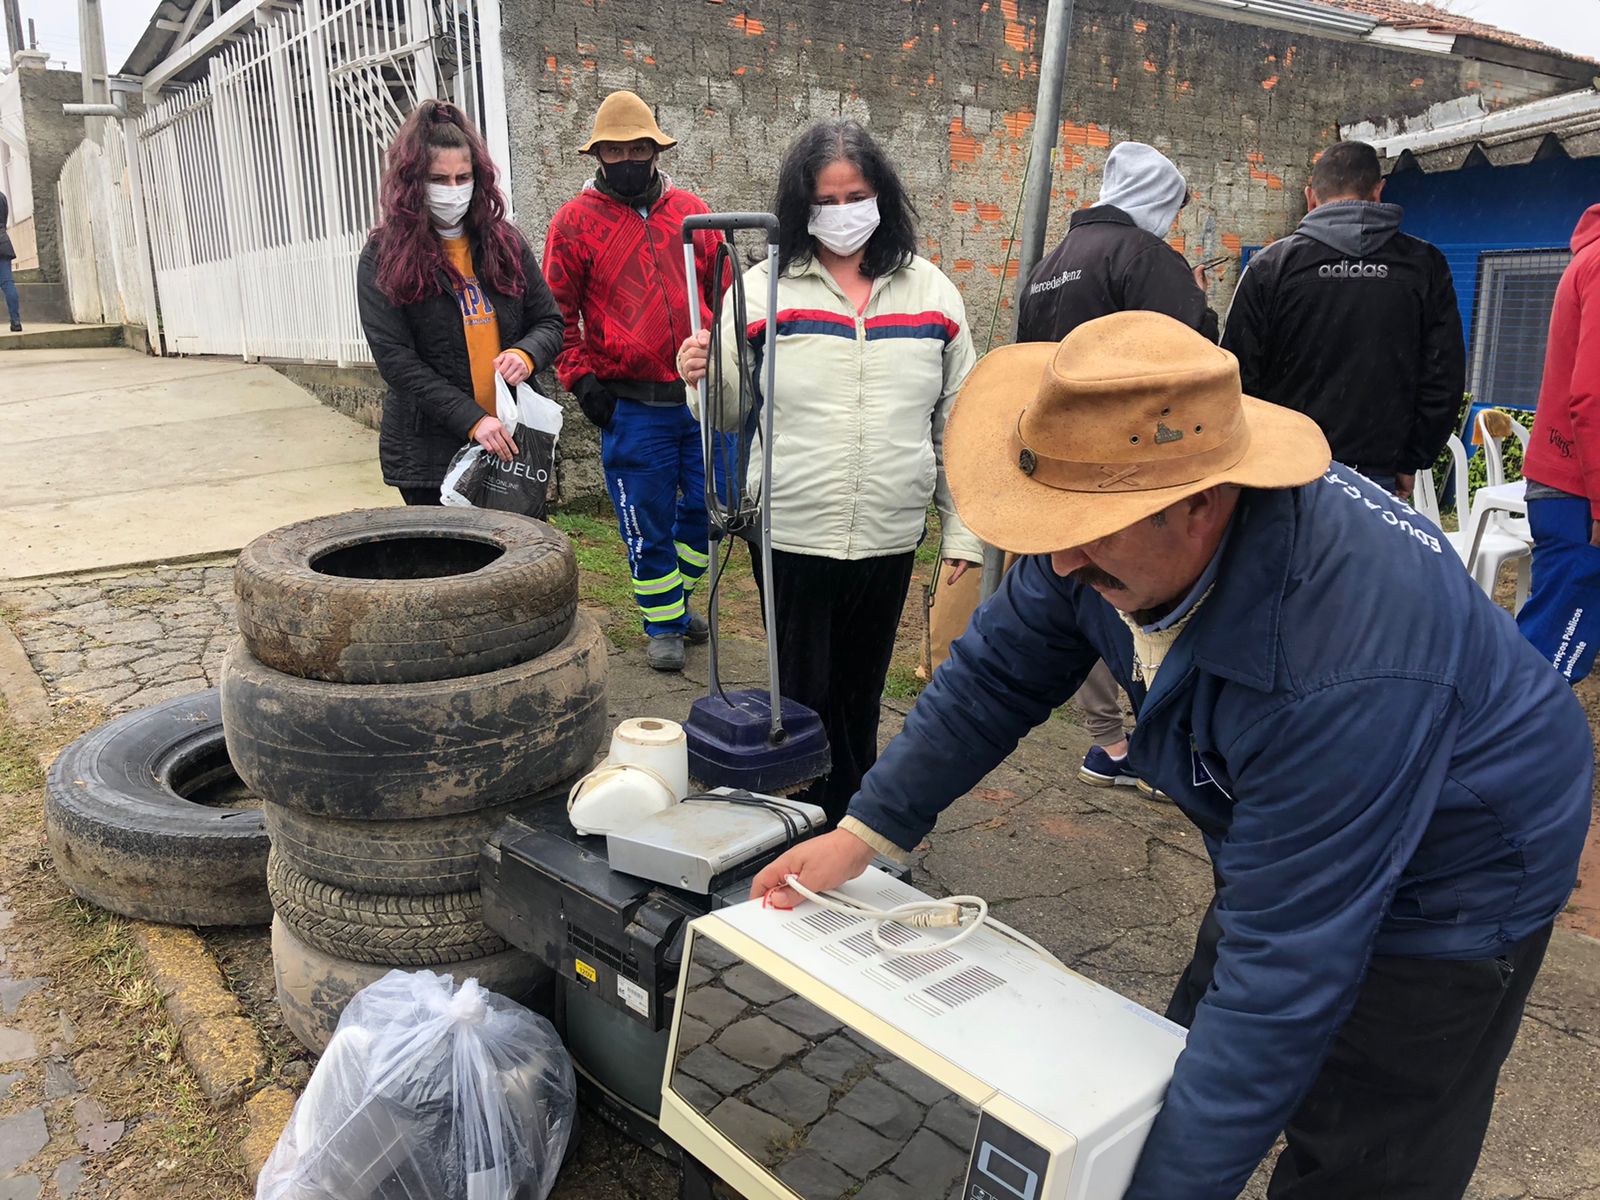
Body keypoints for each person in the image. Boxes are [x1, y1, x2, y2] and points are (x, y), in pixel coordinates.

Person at [754, 311, 1591, 1200]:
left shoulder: (1346, 663)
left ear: (1203, 500)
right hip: (1297, 800)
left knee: (1369, 1138)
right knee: (1183, 1058)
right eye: (1049, 526)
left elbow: (1280, 983)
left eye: (1093, 534)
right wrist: (870, 830)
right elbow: (995, 674)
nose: (1061, 558)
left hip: (1465, 858)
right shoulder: (1095, 510)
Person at [678, 119, 981, 826]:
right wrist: (700, 371)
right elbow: (725, 414)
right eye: (827, 198)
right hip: (790, 532)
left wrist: (962, 534)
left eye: (858, 194)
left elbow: (958, 427)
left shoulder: (932, 294)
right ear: (801, 205)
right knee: (803, 696)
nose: (844, 211)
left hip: (888, 534)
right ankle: (797, 822)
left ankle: (856, 827)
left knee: (861, 695)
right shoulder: (761, 290)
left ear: (882, 197)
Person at [1013, 140, 1218, 794]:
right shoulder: (1146, 258)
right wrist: (1201, 303)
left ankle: (1109, 740)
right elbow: (1189, 361)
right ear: (1158, 201)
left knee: (1075, 591)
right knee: (1143, 600)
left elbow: (1025, 369)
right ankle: (1158, 745)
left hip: (1059, 463)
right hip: (1134, 471)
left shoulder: (1048, 265)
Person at [543, 91, 724, 672]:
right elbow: (556, 313)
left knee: (707, 506)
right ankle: (662, 622)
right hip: (631, 406)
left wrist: (723, 355)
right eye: (615, 149)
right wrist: (582, 381)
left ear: (655, 149)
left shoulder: (694, 214)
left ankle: (677, 599)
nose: (627, 158)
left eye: (638, 147)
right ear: (598, 155)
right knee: (645, 519)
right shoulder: (574, 223)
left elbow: (728, 296)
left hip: (699, 399)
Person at [1222, 140, 1465, 501]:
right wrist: (1412, 459)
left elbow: (1237, 377)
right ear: (1378, 191)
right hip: (1376, 474)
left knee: (1285, 559)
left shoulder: (1270, 267)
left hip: (1285, 472)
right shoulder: (1424, 265)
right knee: (1363, 560)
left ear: (1310, 197)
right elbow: (1443, 376)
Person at [357, 100, 564, 505]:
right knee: (446, 565)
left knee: (518, 561)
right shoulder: (383, 255)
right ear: (413, 182)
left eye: (462, 177)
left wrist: (526, 354)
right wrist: (472, 420)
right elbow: (397, 361)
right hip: (429, 452)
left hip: (511, 442)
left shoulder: (506, 243)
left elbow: (549, 322)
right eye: (439, 179)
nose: (453, 191)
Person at [1517, 202, 1600, 684]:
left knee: (1555, 644)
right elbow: (1592, 397)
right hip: (1579, 494)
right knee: (1550, 659)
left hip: (1572, 487)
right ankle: (1499, 753)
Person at [1, 190, 21, 332]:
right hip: (3, 241)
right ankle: (16, 322)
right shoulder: (1, 197)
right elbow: (5, 219)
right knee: (8, 283)